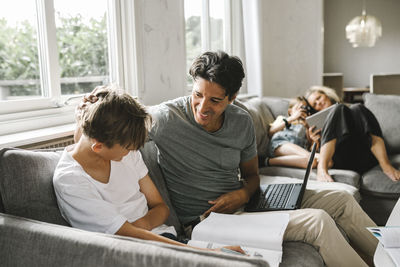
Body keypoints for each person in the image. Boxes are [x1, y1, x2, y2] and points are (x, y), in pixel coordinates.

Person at [82, 52, 378, 266]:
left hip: (245, 203)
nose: (202, 107)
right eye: (197, 95)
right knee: (318, 222)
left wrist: (242, 192)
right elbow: (121, 119)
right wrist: (93, 105)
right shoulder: (164, 118)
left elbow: (252, 176)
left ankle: (389, 258)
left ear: (233, 98)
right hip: (206, 221)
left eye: (215, 100)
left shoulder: (242, 120)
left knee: (342, 201)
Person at [53, 86, 243, 254]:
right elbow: (125, 238)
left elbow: (161, 208)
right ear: (98, 147)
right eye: (127, 147)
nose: (132, 151)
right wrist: (208, 254)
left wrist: (139, 225)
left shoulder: (122, 150)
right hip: (136, 253)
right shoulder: (71, 180)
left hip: (166, 240)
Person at [305, 85, 400, 182]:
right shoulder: (317, 127)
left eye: (318, 98)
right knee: (339, 109)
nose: (319, 103)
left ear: (326, 95)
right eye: (314, 104)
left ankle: (386, 165)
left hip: (365, 155)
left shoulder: (351, 110)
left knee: (357, 107)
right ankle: (322, 169)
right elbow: (317, 155)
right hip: (343, 160)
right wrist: (316, 141)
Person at [266, 96, 322, 168]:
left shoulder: (307, 125)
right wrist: (292, 118)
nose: (302, 111)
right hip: (281, 144)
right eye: (299, 108)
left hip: (300, 152)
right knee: (310, 159)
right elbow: (271, 132)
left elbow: (310, 148)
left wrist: (307, 127)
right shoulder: (284, 118)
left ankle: (301, 160)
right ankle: (268, 161)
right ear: (290, 111)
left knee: (326, 161)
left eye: (305, 108)